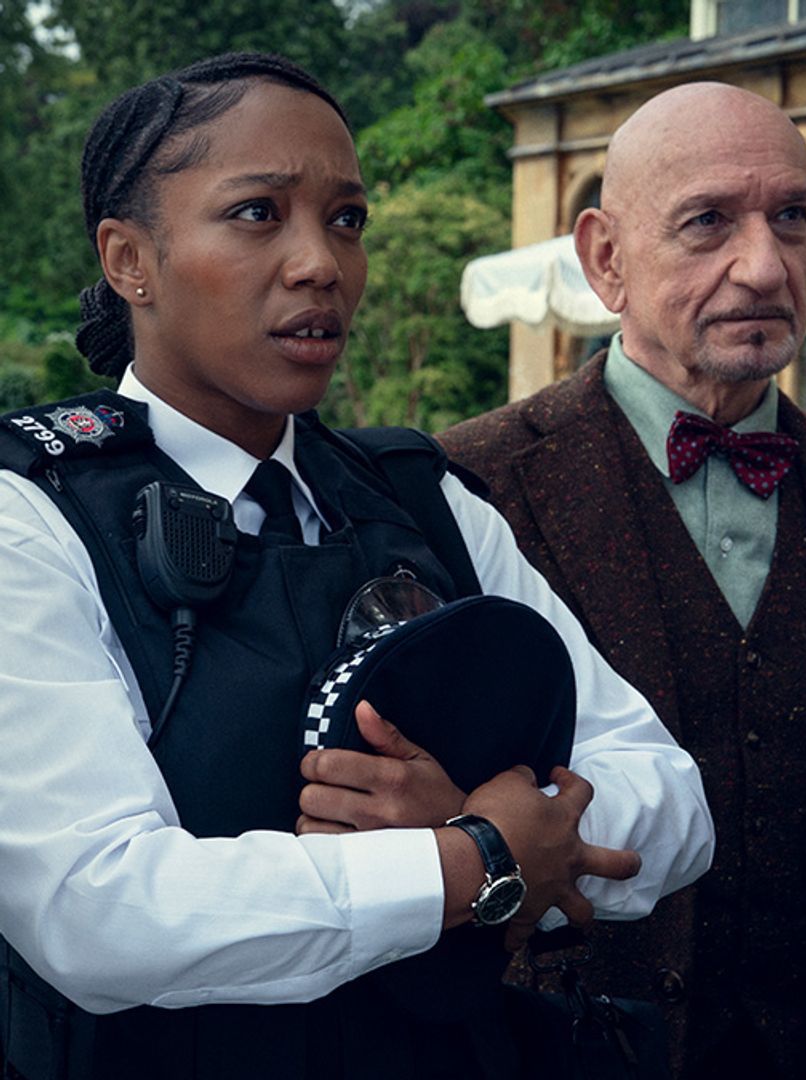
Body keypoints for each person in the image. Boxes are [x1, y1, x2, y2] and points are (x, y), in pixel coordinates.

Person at [0, 53, 713, 1080]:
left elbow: (675, 803)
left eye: (346, 219)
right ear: (129, 260)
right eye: (257, 214)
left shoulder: (427, 501)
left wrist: (469, 807)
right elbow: (98, 908)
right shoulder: (35, 515)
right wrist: (470, 861)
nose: (320, 263)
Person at [438, 83, 806, 1080]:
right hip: (557, 1050)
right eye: (709, 222)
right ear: (605, 259)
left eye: (791, 216)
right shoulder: (470, 486)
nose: (763, 264)